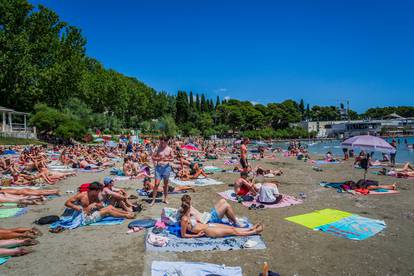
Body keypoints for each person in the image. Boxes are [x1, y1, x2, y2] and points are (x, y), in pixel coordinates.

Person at [179, 195, 263, 238]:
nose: (190, 207)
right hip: (207, 230)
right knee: (233, 232)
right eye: (189, 206)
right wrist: (197, 236)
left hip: (209, 225)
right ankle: (254, 232)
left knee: (231, 228)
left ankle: (249, 229)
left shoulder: (189, 215)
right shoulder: (184, 219)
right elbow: (183, 235)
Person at [65, 182, 135, 225]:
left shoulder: (95, 196)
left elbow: (101, 205)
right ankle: (126, 216)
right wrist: (76, 207)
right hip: (84, 217)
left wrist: (96, 204)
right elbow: (67, 203)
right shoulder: (82, 195)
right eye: (98, 191)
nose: (99, 193)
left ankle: (126, 213)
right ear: (93, 190)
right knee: (108, 210)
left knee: (110, 207)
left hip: (92, 212)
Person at [150, 137, 174, 206]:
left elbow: (172, 158)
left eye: (163, 142)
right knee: (156, 184)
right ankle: (153, 200)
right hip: (159, 168)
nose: (162, 143)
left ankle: (165, 198)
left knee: (165, 184)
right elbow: (152, 157)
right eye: (161, 142)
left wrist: (167, 160)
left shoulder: (170, 149)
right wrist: (159, 158)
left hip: (166, 168)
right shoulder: (158, 148)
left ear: (167, 142)